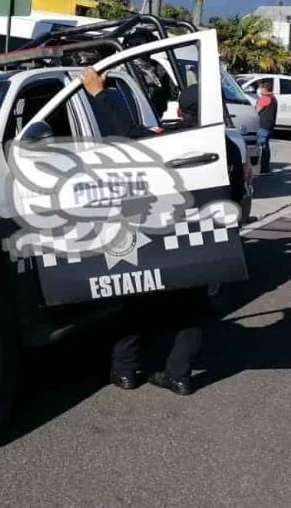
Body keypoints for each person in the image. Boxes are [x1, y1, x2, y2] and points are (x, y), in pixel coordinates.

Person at [79, 67, 203, 396]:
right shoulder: (220, 147)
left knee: (136, 301)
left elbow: (130, 133)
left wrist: (98, 94)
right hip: (201, 240)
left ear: (180, 111)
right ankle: (179, 376)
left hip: (154, 236)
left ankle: (125, 371)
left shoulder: (170, 143)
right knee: (191, 308)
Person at [254, 80, 277, 174]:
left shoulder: (265, 98)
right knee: (266, 147)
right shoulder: (273, 98)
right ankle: (265, 168)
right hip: (269, 126)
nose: (259, 90)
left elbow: (256, 110)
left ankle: (261, 169)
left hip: (263, 125)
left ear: (264, 89)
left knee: (261, 147)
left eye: (261, 88)